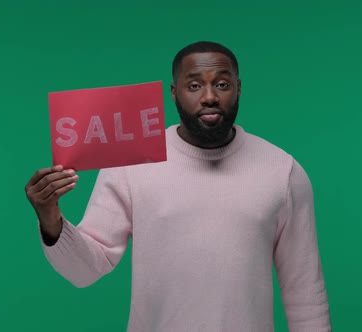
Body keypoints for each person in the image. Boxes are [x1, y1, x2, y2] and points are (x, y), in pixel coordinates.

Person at [25, 41, 331, 332]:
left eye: (222, 84)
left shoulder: (282, 171)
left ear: (239, 88)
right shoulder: (132, 165)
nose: (209, 96)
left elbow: (305, 292)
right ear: (174, 93)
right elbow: (86, 270)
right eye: (194, 85)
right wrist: (50, 219)